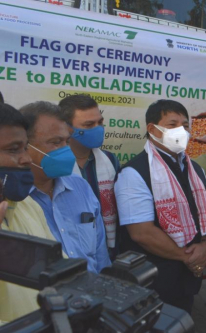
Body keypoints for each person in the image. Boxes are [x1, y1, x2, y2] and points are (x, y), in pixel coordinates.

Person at [114, 99, 206, 313]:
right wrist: (188, 257)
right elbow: (142, 233)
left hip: (187, 277)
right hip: (153, 279)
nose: (182, 130)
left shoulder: (194, 169)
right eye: (173, 124)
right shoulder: (134, 172)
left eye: (185, 125)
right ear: (153, 129)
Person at [21, 101, 111, 274]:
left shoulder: (81, 188)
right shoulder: (13, 199)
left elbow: (100, 256)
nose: (65, 150)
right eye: (55, 142)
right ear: (24, 145)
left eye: (67, 142)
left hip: (90, 295)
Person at [0, 103, 55, 322]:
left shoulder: (27, 204)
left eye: (25, 147)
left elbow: (58, 272)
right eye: (13, 150)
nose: (26, 159)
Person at [59, 95, 120, 250]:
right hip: (70, 250)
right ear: (67, 128)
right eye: (89, 124)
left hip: (109, 248)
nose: (98, 128)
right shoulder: (56, 163)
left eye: (100, 122)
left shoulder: (110, 160)